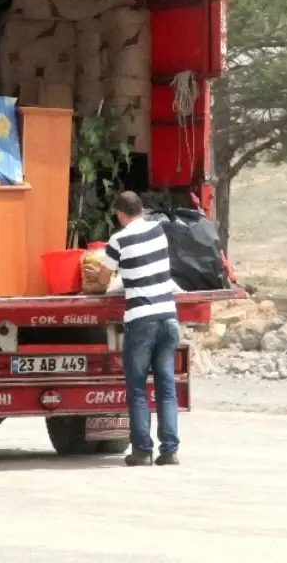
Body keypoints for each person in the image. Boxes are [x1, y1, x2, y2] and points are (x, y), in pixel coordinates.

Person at [84, 191, 181, 467]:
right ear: (142, 209)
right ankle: (170, 450)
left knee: (137, 387)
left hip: (142, 320)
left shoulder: (119, 239)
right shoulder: (159, 230)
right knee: (166, 386)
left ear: (120, 214)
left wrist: (97, 274)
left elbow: (104, 280)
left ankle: (141, 450)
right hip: (168, 316)